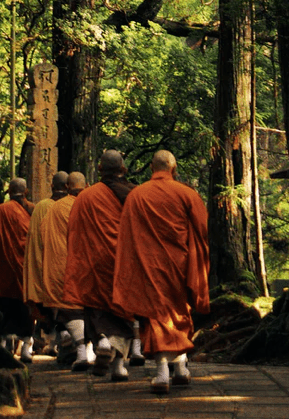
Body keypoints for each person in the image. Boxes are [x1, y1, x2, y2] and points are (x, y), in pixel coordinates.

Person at [111, 150, 210, 394]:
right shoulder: (187, 193)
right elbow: (202, 229)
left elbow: (126, 237)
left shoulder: (137, 195)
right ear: (173, 169)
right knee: (178, 313)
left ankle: (165, 372)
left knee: (156, 316)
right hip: (180, 265)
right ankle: (178, 370)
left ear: (151, 168)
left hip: (149, 266)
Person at [62, 150, 139, 381]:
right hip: (125, 264)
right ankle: (119, 367)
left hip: (96, 265)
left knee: (97, 312)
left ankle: (103, 341)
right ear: (123, 169)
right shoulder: (134, 194)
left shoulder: (86, 197)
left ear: (98, 170)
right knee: (125, 314)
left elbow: (74, 234)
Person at [41, 172, 90, 371]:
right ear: (85, 185)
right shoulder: (92, 203)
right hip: (88, 265)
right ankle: (89, 351)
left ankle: (80, 352)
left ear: (68, 187)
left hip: (63, 266)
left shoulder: (55, 208)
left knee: (68, 310)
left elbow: (45, 236)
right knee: (85, 310)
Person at [0, 179, 35, 363]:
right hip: (22, 269)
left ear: (8, 192)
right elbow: (31, 238)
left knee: (6, 308)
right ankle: (27, 348)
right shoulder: (29, 210)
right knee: (24, 308)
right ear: (26, 191)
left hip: (2, 270)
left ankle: (8, 343)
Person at [22, 171, 69, 355]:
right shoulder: (71, 206)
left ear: (51, 186)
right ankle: (62, 341)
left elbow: (33, 242)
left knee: (50, 306)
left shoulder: (41, 207)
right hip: (66, 265)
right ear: (68, 187)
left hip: (45, 265)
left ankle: (52, 342)